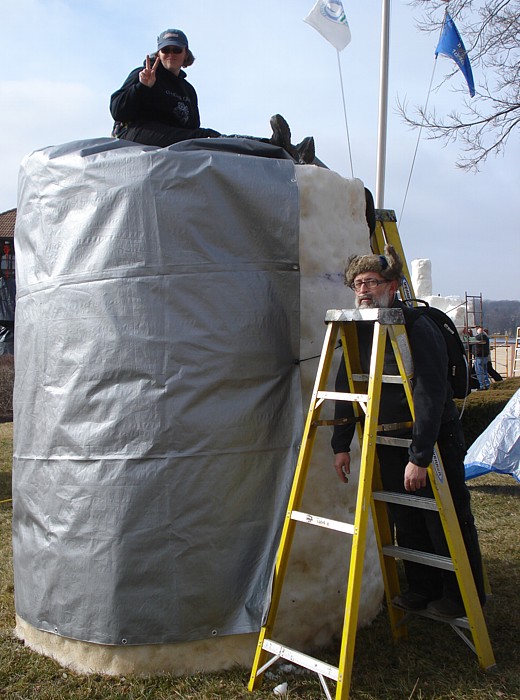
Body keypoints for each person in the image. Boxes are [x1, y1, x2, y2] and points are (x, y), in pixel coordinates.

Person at [331, 245, 486, 618]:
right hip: (386, 437)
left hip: (430, 438)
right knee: (406, 516)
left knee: (444, 516)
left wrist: (420, 455)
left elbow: (431, 392)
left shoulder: (418, 326)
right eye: (357, 283)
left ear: (394, 285)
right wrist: (340, 443)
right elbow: (345, 384)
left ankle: (463, 594)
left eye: (371, 281)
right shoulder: (360, 327)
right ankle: (422, 587)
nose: (363, 290)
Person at [110, 29, 315, 163]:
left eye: (176, 49)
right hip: (135, 132)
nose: (170, 54)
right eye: (165, 50)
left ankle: (280, 147)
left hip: (171, 135)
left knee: (206, 138)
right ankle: (272, 147)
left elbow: (192, 127)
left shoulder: (187, 91)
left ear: (185, 55)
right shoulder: (145, 73)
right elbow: (118, 111)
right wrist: (143, 87)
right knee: (205, 138)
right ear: (158, 53)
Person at [473, 325, 491, 390]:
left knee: (479, 372)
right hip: (485, 356)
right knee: (484, 371)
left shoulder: (478, 337)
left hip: (479, 357)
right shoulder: (486, 337)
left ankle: (482, 386)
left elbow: (471, 340)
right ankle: (487, 384)